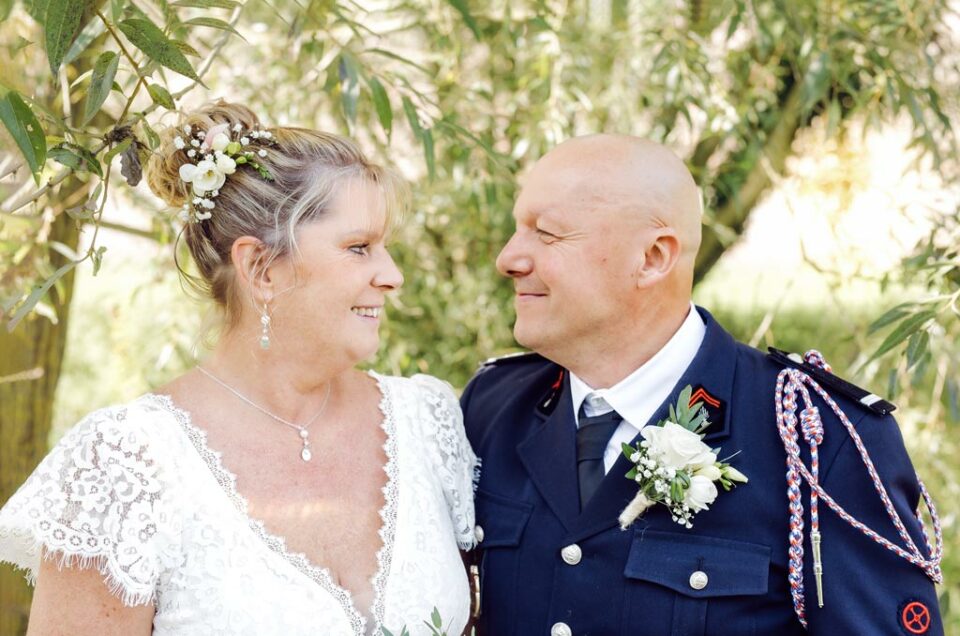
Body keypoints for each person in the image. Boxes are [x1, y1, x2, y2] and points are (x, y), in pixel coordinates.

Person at [0, 101, 478, 636]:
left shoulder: (425, 419)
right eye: (359, 248)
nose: (392, 275)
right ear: (261, 268)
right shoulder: (125, 464)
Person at [462, 134, 943, 635]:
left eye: (547, 233)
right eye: (518, 230)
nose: (509, 259)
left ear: (652, 257)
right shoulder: (492, 408)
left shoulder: (817, 441)